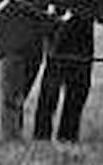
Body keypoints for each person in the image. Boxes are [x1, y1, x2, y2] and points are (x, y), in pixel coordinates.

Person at [34, 14, 95, 143]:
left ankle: (68, 137)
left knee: (76, 95)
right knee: (49, 97)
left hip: (82, 48)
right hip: (58, 47)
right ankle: (41, 137)